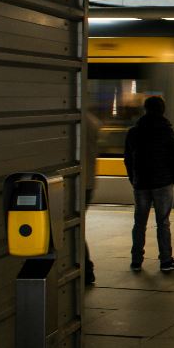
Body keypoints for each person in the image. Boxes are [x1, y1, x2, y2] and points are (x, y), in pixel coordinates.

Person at [124, 96, 174, 272]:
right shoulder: (167, 131)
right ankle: (165, 260)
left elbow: (127, 158)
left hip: (141, 183)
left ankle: (136, 260)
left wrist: (133, 178)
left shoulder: (134, 131)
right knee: (163, 223)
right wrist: (173, 178)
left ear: (145, 109)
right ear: (162, 110)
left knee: (139, 222)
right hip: (163, 183)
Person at [83, 110, 101, 285]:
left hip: (78, 183)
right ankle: (86, 270)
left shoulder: (80, 120)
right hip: (88, 182)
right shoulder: (92, 120)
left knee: (75, 229)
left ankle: (87, 270)